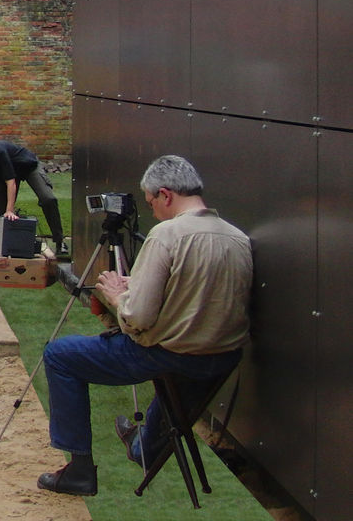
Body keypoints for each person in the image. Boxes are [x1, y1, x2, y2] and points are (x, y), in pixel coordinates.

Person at [37, 155, 252, 498]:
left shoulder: (166, 234)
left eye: (152, 202)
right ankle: (142, 448)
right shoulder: (237, 237)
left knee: (60, 355)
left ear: (166, 195)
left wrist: (117, 295)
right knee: (172, 377)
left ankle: (78, 471)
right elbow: (197, 299)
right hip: (220, 359)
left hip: (170, 354)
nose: (152, 211)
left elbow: (138, 318)